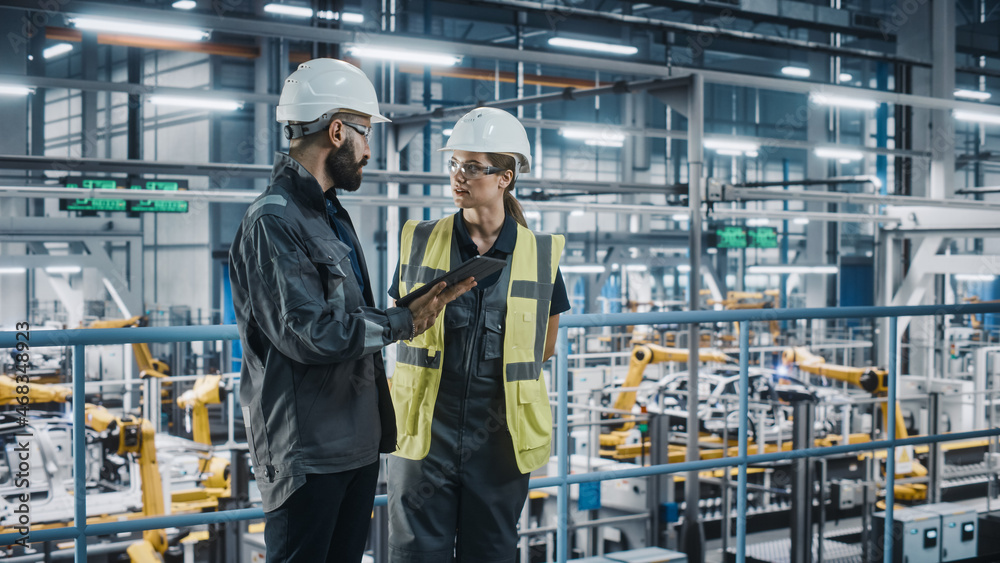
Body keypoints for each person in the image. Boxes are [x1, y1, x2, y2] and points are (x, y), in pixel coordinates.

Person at [228, 59, 474, 563]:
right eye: (365, 134)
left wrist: (411, 309)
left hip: (355, 441)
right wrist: (404, 322)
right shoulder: (273, 221)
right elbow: (308, 334)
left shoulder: (332, 214)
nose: (368, 150)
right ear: (337, 131)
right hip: (307, 452)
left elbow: (347, 316)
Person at [386, 107, 570, 562]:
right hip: (426, 430)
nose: (458, 177)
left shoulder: (539, 254)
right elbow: (399, 323)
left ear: (505, 177)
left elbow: (544, 346)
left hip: (500, 439)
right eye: (454, 165)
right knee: (416, 552)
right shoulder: (420, 239)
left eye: (471, 167)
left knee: (490, 552)